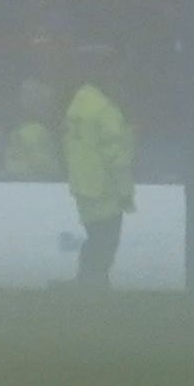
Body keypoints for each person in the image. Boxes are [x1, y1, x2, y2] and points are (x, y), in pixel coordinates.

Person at [60, 65, 135, 286]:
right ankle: (93, 282)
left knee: (95, 237)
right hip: (106, 187)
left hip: (82, 184)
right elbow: (116, 157)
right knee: (107, 241)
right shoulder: (106, 112)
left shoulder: (76, 108)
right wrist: (125, 192)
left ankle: (87, 280)